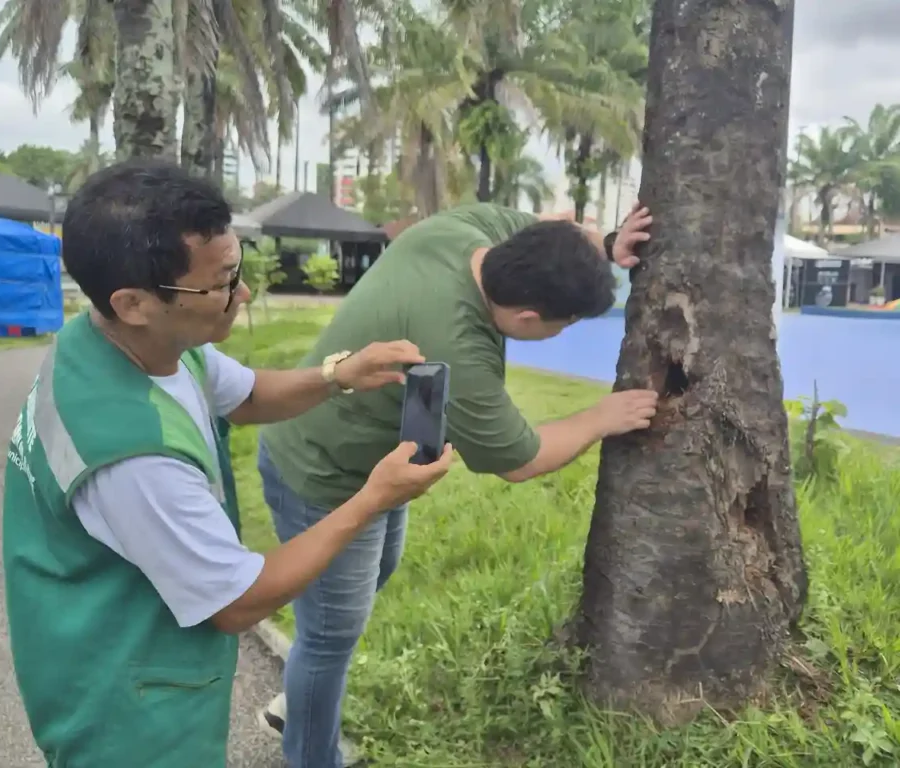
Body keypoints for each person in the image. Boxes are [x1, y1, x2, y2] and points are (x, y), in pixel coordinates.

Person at [0, 159, 454, 768]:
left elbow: (244, 395)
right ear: (134, 301)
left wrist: (337, 375)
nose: (240, 295)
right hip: (129, 707)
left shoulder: (130, 343)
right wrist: (374, 498)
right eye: (220, 284)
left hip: (119, 638)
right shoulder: (135, 457)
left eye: (238, 271)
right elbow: (239, 601)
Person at [256, 202, 660, 767]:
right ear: (526, 318)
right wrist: (599, 418)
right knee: (329, 636)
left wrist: (608, 244)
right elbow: (520, 459)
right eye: (562, 323)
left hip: (377, 464)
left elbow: (559, 229)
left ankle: (307, 692)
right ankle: (310, 752)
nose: (561, 332)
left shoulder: (461, 231)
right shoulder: (459, 350)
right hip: (326, 474)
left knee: (370, 579)